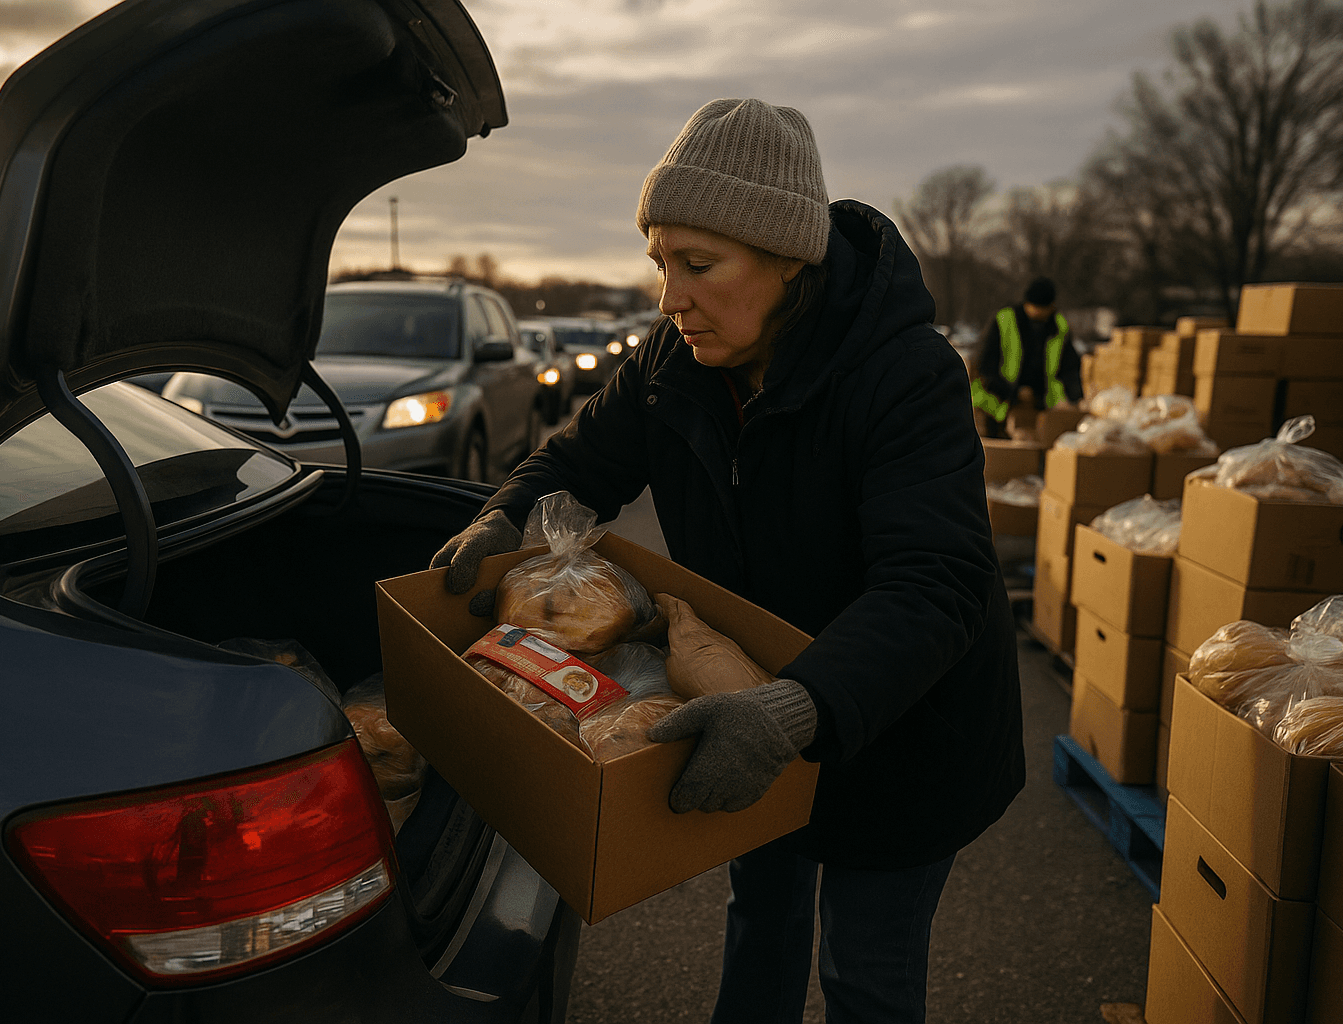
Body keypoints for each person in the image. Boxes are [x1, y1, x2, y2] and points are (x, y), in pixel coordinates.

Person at [430, 98, 1024, 1024]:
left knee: (866, 970)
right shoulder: (673, 359)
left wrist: (796, 709)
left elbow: (933, 586)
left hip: (901, 722)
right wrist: (507, 515)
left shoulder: (907, 375)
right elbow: (581, 461)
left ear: (789, 259)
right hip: (748, 696)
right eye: (661, 263)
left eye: (699, 266)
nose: (671, 298)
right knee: (763, 924)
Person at [970, 277, 1083, 438]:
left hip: (1038, 408)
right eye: (1034, 307)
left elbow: (1070, 368)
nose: (1037, 312)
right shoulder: (1004, 320)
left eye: (1042, 308)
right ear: (1026, 303)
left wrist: (1075, 398)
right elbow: (983, 366)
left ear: (1051, 306)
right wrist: (1014, 393)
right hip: (995, 405)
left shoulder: (1059, 328)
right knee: (996, 456)